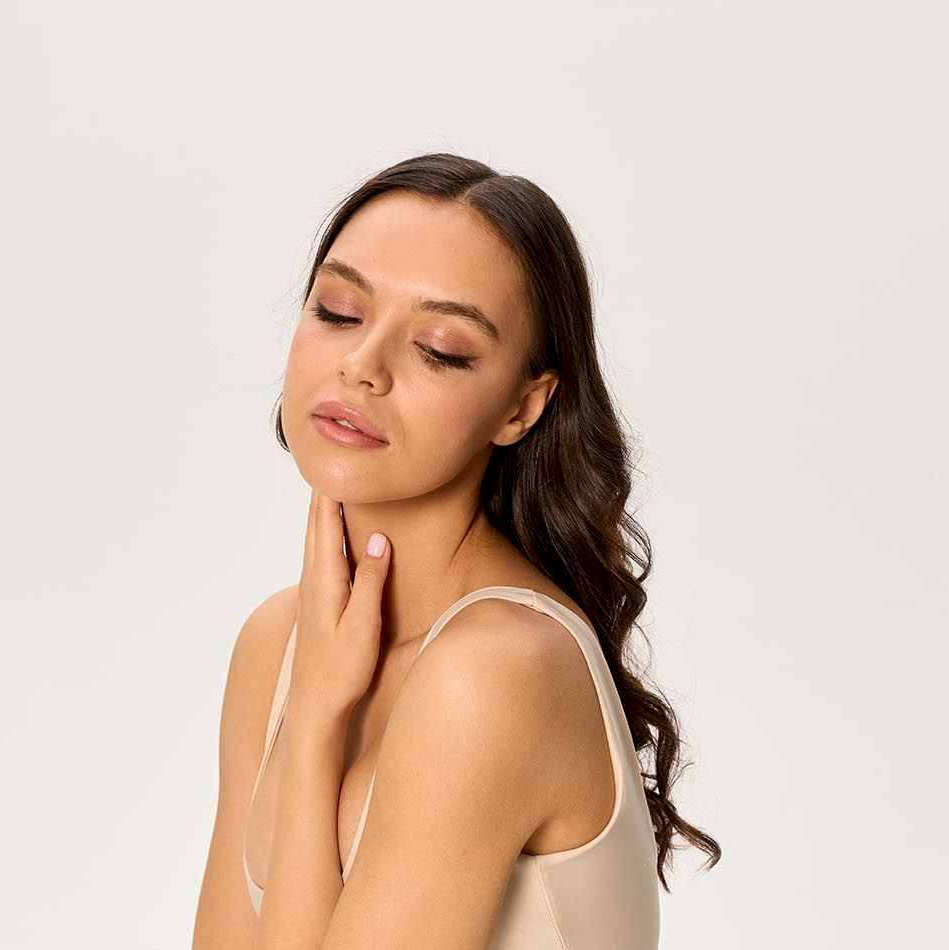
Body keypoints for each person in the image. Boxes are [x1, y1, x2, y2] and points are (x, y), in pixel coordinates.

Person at [190, 153, 720, 949]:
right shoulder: (280, 645)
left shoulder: (497, 668)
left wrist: (316, 731)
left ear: (521, 408)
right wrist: (313, 706)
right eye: (338, 311)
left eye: (439, 348)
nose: (361, 367)